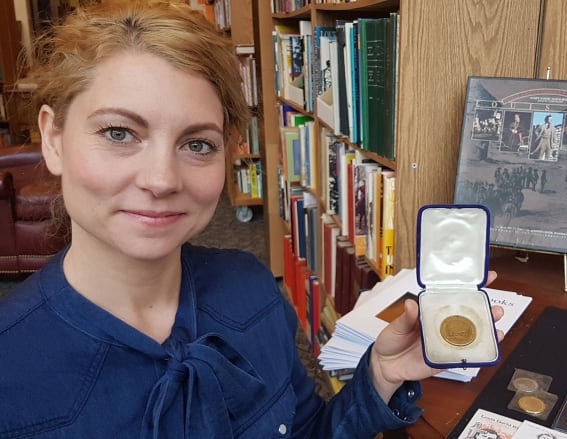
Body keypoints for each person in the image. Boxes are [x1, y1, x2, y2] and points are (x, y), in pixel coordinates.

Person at [0, 2, 505, 437]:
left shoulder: (253, 291)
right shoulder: (11, 367)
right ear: (53, 139)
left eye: (197, 144)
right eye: (118, 133)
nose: (160, 179)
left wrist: (379, 375)